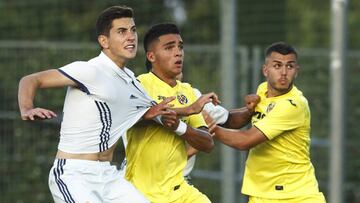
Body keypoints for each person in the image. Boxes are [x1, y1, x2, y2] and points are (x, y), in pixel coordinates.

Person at [18, 6, 177, 203]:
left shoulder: (132, 83)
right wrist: (27, 108)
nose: (131, 37)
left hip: (108, 176)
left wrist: (195, 110)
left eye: (133, 30)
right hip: (74, 174)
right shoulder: (90, 70)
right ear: (104, 41)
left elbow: (153, 113)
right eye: (122, 31)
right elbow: (31, 79)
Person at [211, 42, 326, 202]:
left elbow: (244, 141)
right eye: (277, 66)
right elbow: (238, 120)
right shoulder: (262, 90)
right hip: (261, 194)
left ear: (297, 71)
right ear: (265, 70)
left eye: (290, 66)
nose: (284, 72)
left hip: (295, 196)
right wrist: (249, 111)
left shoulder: (293, 105)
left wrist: (210, 127)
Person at [124, 23, 215, 203]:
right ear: (151, 56)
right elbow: (129, 119)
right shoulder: (140, 85)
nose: (178, 53)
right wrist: (182, 112)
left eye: (180, 47)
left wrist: (180, 127)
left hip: (179, 190)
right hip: (142, 193)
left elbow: (207, 143)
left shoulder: (187, 91)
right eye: (169, 47)